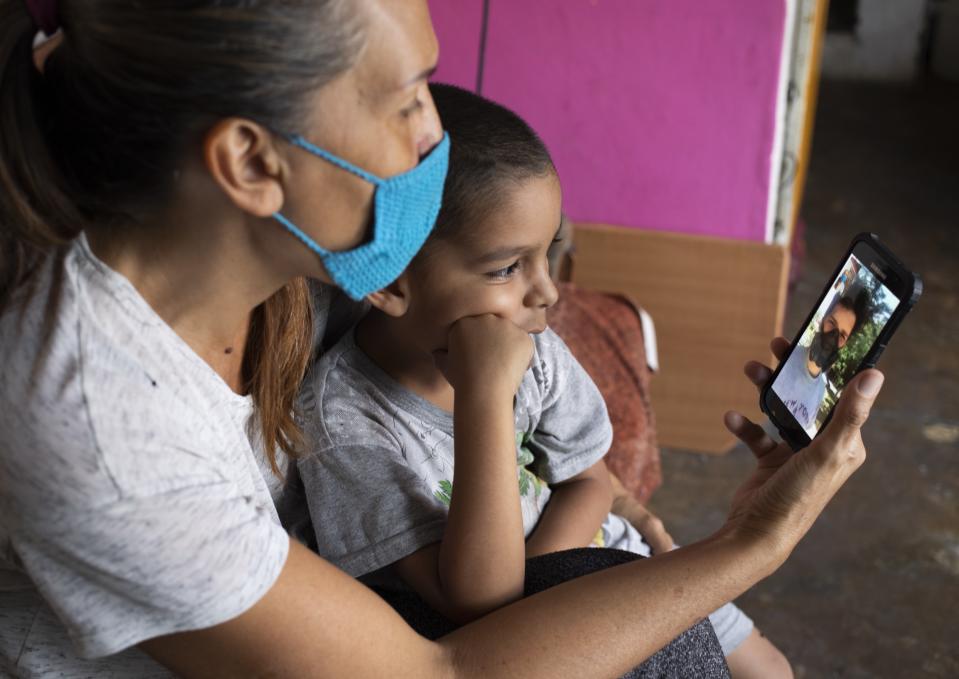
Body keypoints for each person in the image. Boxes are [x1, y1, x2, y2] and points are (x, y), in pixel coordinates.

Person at [0, 1, 885, 677]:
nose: (435, 135)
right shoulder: (101, 425)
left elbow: (562, 442)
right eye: (404, 102)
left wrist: (604, 527)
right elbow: (444, 667)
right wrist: (752, 543)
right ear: (252, 163)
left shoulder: (304, 260)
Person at [296, 83, 792, 679]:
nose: (547, 292)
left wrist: (554, 572)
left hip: (610, 561)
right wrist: (484, 395)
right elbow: (480, 601)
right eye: (507, 267)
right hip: (528, 633)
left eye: (546, 254)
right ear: (392, 282)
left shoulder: (538, 353)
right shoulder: (345, 426)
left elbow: (590, 482)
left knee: (771, 671)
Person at [773, 288, 871, 434]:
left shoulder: (820, 391)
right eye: (832, 323)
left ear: (844, 344)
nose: (833, 336)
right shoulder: (784, 359)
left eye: (842, 335)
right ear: (822, 320)